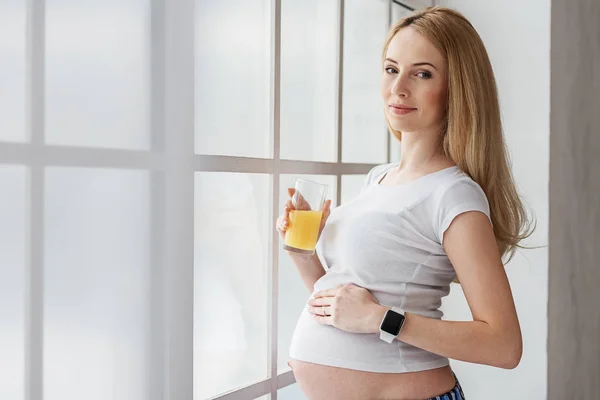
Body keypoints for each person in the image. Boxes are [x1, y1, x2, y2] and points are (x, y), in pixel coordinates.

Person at [275, 6, 534, 400]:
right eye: (392, 69)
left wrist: (383, 319)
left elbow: (504, 345)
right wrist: (303, 254)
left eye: (422, 73)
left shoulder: (454, 195)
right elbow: (349, 309)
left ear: (456, 88)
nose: (398, 88)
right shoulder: (379, 178)